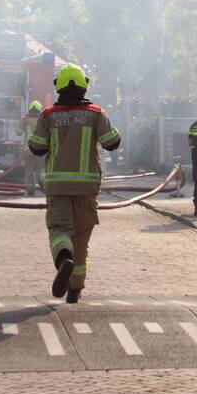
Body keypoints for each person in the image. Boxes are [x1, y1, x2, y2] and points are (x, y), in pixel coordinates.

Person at [28, 64, 120, 304]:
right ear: (84, 85)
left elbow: (36, 147)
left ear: (58, 85)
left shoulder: (47, 115)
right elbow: (112, 143)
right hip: (87, 188)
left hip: (58, 187)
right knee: (81, 239)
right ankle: (75, 289)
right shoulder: (96, 113)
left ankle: (63, 260)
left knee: (60, 230)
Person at [16, 100, 44, 196]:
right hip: (41, 150)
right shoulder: (43, 119)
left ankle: (30, 190)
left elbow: (18, 132)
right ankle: (44, 186)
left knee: (29, 170)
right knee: (42, 169)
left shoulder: (25, 119)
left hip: (29, 150)